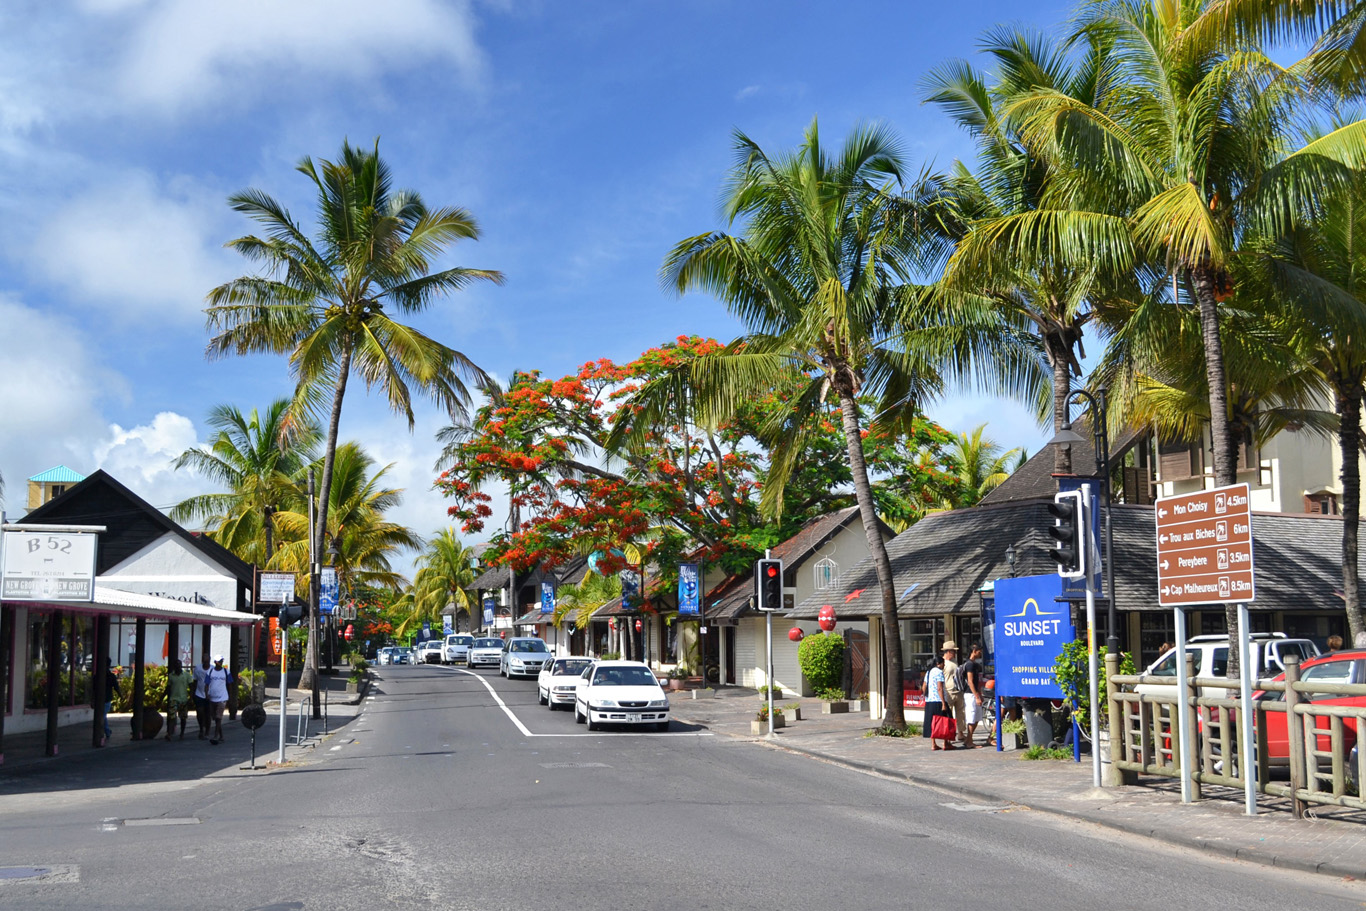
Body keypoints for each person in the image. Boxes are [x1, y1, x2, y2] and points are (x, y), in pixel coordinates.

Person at [922, 655, 955, 750]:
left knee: (932, 722)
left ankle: (933, 744)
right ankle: (946, 743)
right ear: (938, 664)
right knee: (946, 720)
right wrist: (943, 703)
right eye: (943, 664)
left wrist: (926, 696)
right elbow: (939, 688)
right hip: (938, 700)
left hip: (929, 701)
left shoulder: (928, 672)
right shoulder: (939, 672)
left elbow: (924, 686)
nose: (944, 665)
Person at [959, 643, 986, 747]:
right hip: (970, 694)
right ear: (974, 651)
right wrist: (976, 696)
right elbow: (970, 682)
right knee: (972, 717)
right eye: (979, 651)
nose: (980, 653)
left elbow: (975, 682)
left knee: (976, 717)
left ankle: (968, 740)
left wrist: (979, 693)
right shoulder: (969, 664)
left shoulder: (974, 664)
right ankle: (969, 741)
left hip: (974, 694)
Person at [205, 654, 233, 745]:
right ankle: (221, 735)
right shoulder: (210, 671)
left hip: (222, 697)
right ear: (215, 662)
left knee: (218, 717)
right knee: (215, 718)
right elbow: (206, 684)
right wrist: (207, 695)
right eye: (219, 661)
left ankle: (215, 736)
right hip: (212, 697)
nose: (220, 662)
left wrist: (229, 696)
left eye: (221, 661)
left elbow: (229, 684)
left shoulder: (226, 672)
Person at [941, 640, 964, 744]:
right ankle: (949, 734)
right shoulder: (943, 663)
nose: (955, 653)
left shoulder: (954, 662)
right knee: (949, 715)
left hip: (958, 691)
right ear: (948, 652)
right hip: (948, 692)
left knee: (961, 713)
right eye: (953, 651)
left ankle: (961, 732)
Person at [165, 658, 192, 741]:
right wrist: (164, 697)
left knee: (183, 717)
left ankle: (182, 733)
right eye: (176, 665)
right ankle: (169, 733)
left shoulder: (186, 675)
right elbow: (168, 688)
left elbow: (191, 687)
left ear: (181, 666)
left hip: (183, 699)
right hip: (173, 699)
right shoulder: (171, 676)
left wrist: (191, 698)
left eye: (179, 665)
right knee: (172, 716)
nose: (178, 667)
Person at [192, 655, 211, 740]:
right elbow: (195, 681)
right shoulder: (198, 668)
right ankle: (201, 729)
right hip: (199, 693)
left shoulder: (213, 669)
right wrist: (193, 693)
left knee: (208, 714)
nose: (206, 663)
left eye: (207, 662)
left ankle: (207, 731)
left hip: (210, 694)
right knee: (200, 712)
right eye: (204, 661)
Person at [103, 659, 119, 740]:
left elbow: (94, 688)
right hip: (107, 698)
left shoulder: (98, 675)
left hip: (105, 699)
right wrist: (120, 695)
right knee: (103, 716)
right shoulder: (111, 676)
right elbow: (116, 686)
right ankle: (107, 731)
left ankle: (106, 731)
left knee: (102, 716)